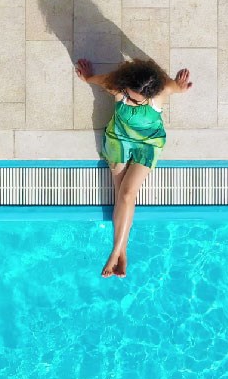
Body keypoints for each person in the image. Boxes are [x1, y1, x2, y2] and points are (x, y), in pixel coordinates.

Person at [75, 58, 193, 278]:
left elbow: (176, 88)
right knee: (121, 195)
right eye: (130, 97)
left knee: (127, 194)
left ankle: (116, 252)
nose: (132, 102)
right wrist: (88, 77)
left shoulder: (161, 91)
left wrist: (180, 85)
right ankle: (122, 252)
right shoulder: (117, 86)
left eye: (138, 101)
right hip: (119, 139)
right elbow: (97, 80)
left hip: (149, 142)